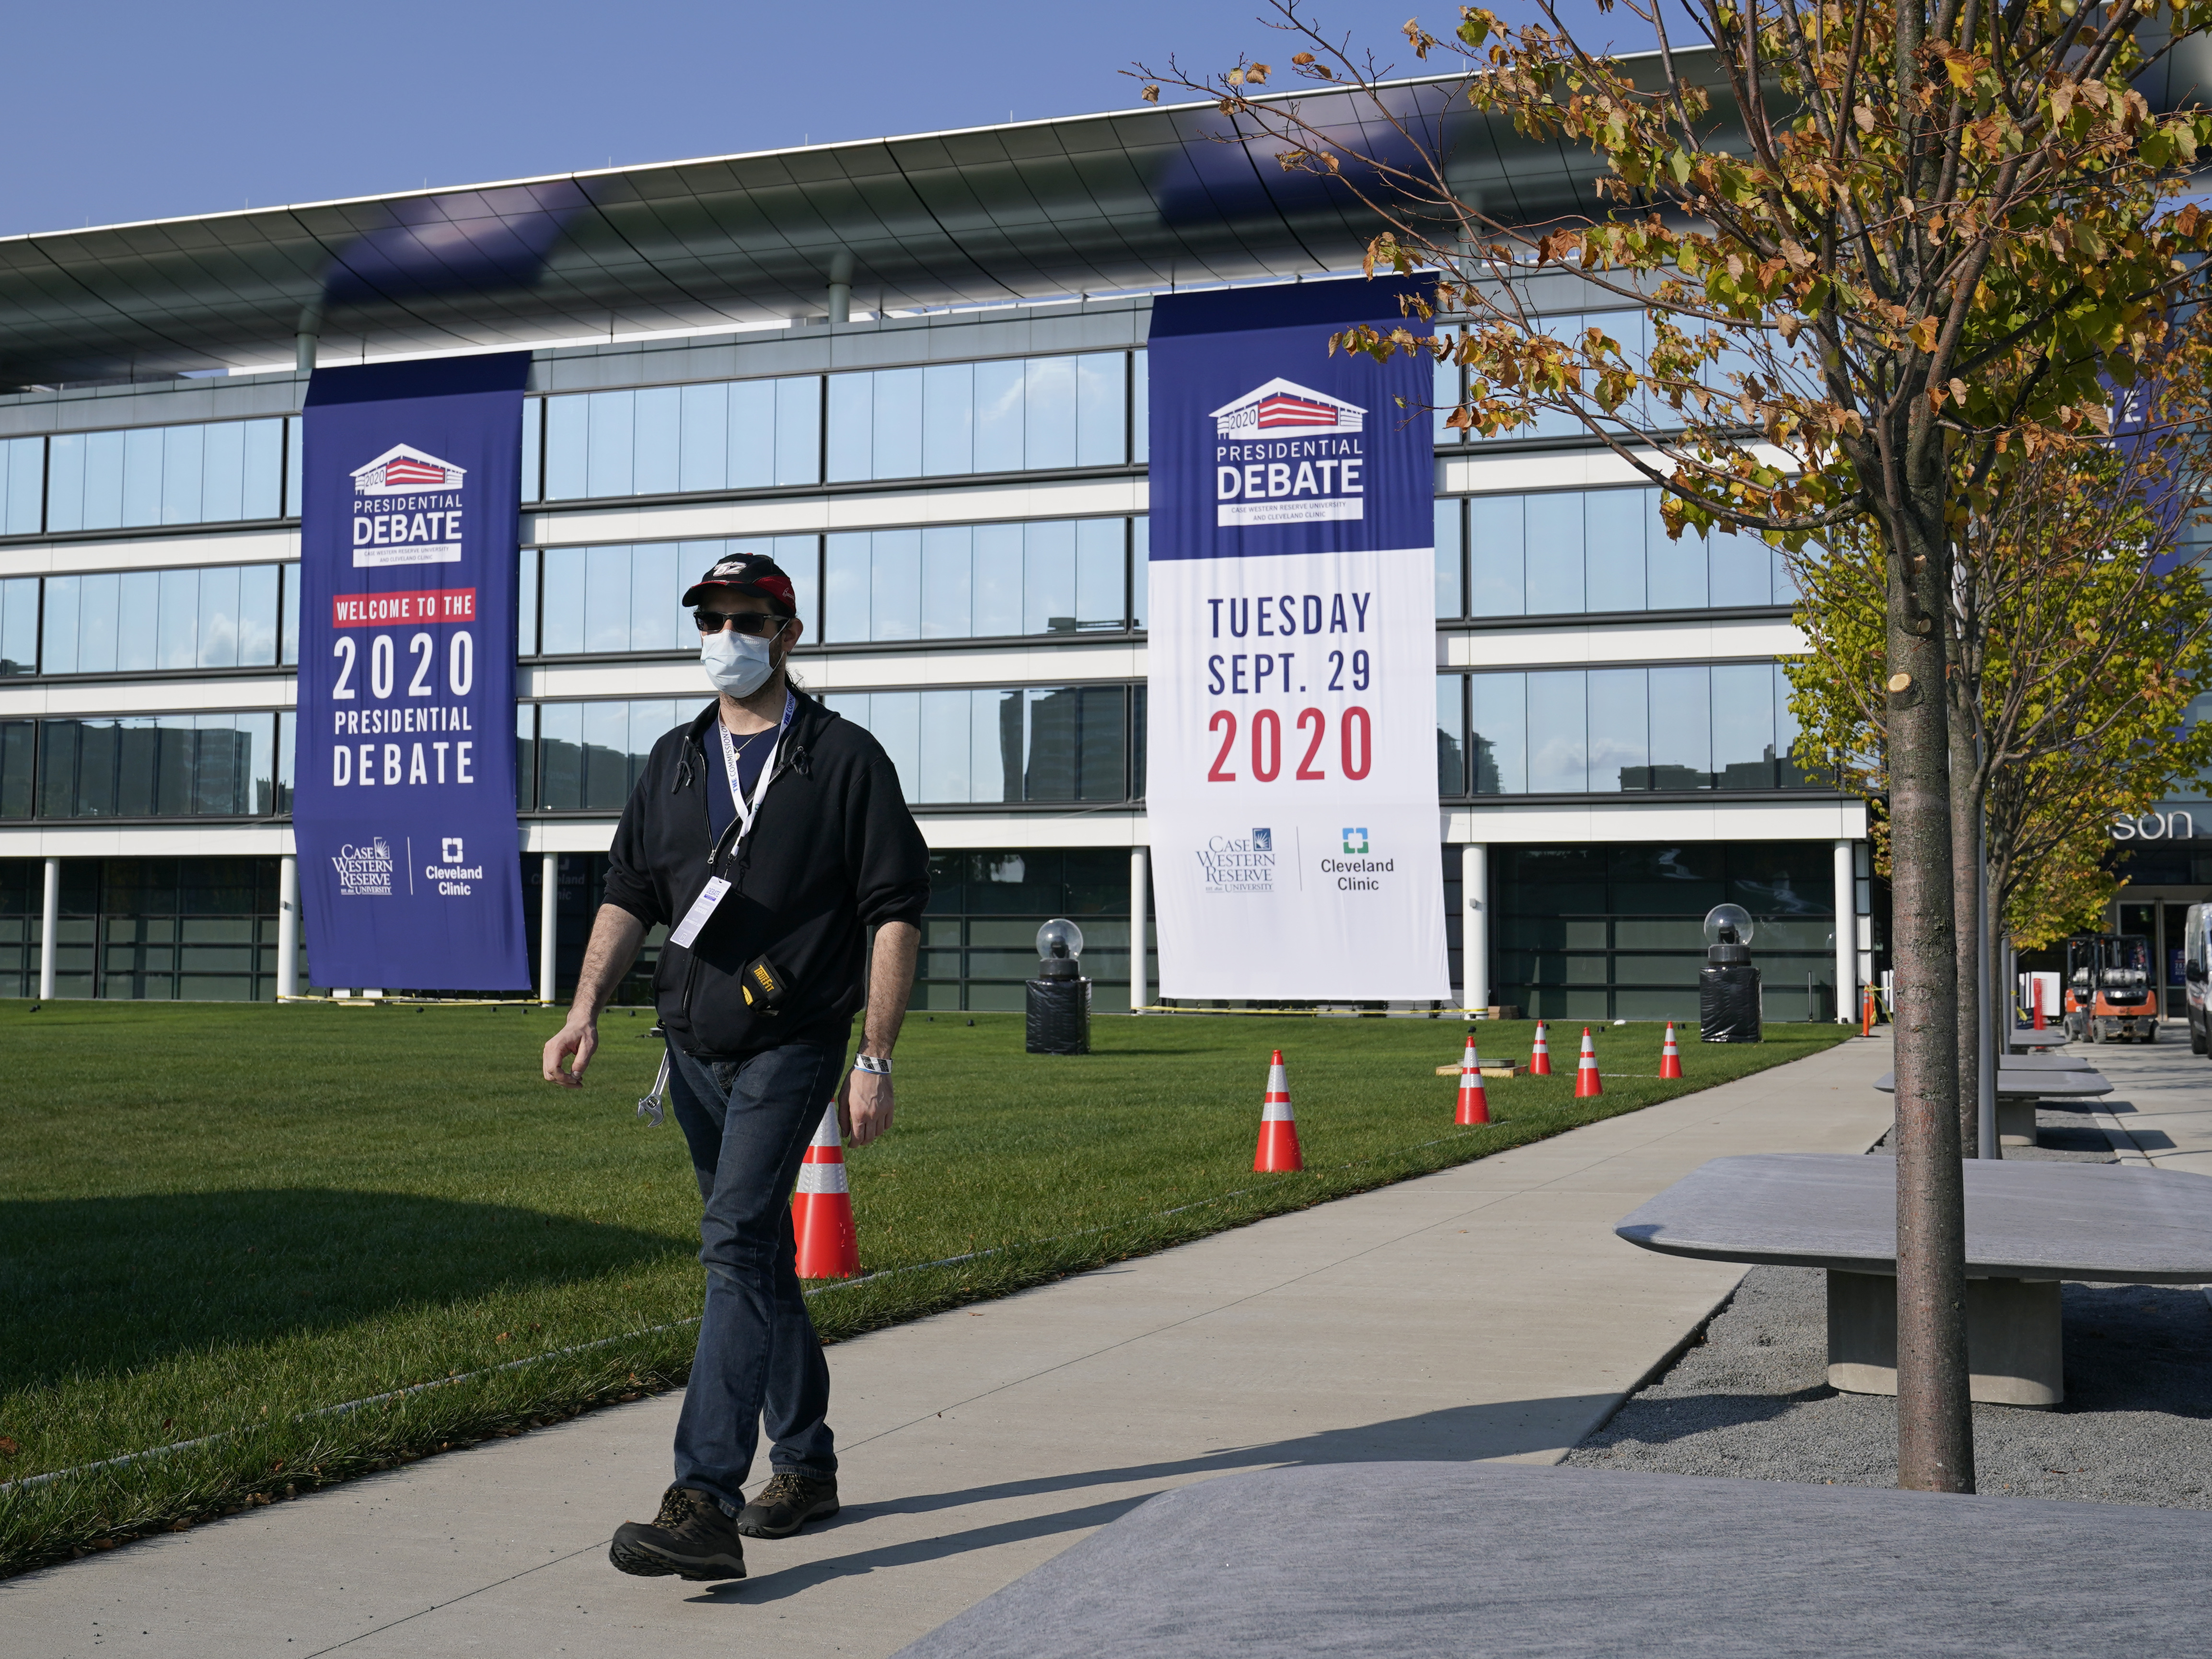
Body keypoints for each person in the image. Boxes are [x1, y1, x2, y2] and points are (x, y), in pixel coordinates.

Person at [541, 550, 928, 1584]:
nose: (724, 636)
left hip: (794, 1043)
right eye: (710, 619)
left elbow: (893, 913)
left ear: (788, 633)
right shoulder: (672, 760)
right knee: (752, 1252)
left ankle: (702, 1499)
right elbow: (630, 894)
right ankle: (806, 1464)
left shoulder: (844, 760)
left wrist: (876, 1057)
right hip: (690, 1047)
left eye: (744, 618)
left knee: (731, 1241)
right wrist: (582, 1010)